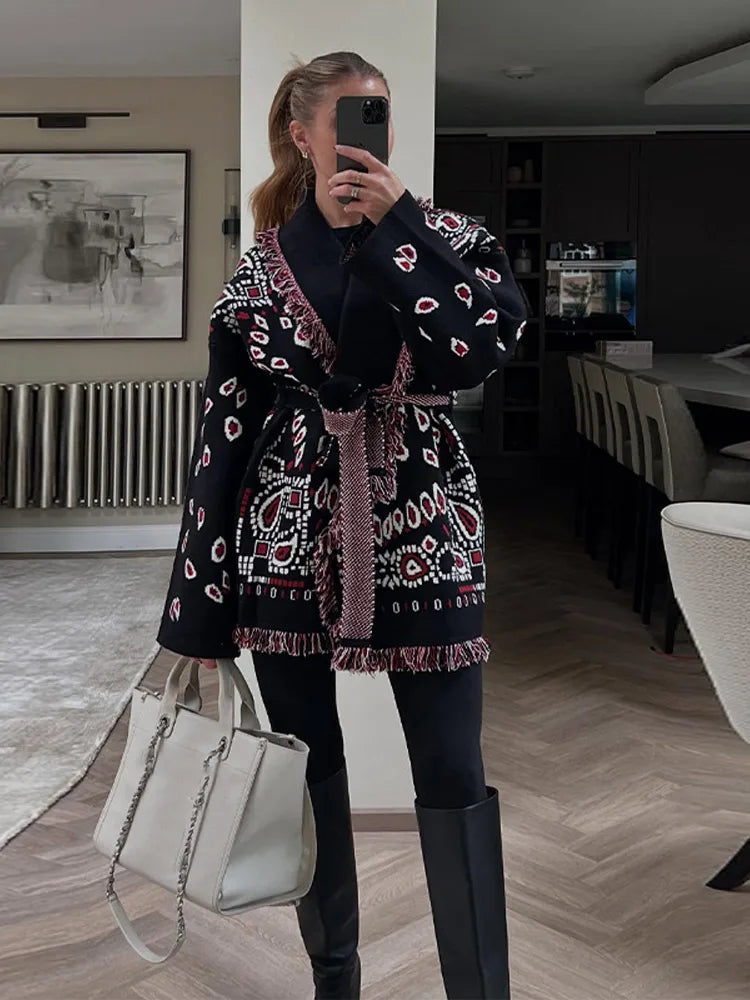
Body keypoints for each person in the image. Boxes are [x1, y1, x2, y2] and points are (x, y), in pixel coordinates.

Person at [156, 50, 526, 1000]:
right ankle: (335, 980)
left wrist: (399, 223)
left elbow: (478, 349)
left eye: (383, 118)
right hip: (286, 528)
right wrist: (196, 616)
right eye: (353, 118)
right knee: (308, 763)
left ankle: (478, 989)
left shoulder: (450, 237)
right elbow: (223, 437)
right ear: (302, 132)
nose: (372, 136)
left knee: (452, 764)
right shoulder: (258, 275)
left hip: (424, 523)